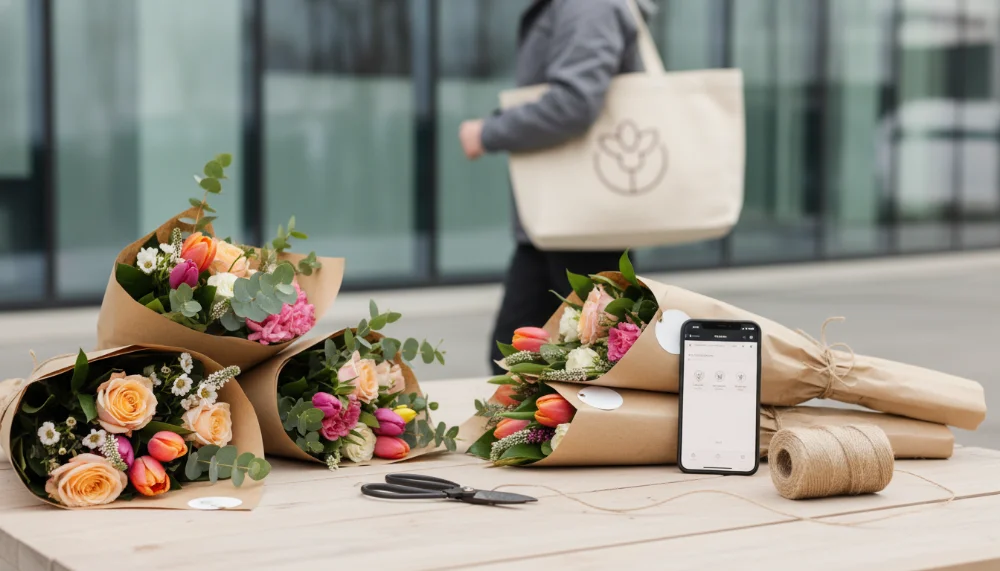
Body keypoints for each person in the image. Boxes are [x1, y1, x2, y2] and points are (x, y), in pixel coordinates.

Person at [458, 0, 655, 373]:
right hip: (560, 223)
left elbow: (574, 102)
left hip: (582, 221)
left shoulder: (588, 6)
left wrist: (489, 131)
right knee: (519, 362)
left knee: (590, 368)